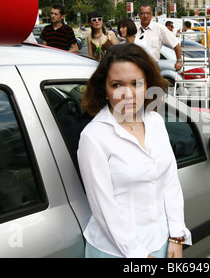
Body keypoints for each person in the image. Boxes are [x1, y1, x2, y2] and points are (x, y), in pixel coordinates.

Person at [78, 43, 192, 258]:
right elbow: (104, 207)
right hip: (117, 251)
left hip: (162, 242)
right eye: (116, 84)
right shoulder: (94, 137)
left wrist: (177, 235)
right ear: (104, 87)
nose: (127, 94)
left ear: (147, 84)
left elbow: (169, 181)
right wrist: (139, 255)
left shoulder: (155, 121)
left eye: (136, 83)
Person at [136, 5, 183, 71]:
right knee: (139, 81)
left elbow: (175, 44)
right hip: (136, 68)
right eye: (142, 13)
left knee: (152, 81)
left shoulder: (160, 28)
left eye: (148, 13)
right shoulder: (133, 28)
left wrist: (179, 61)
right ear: (139, 15)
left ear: (152, 14)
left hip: (152, 68)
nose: (145, 16)